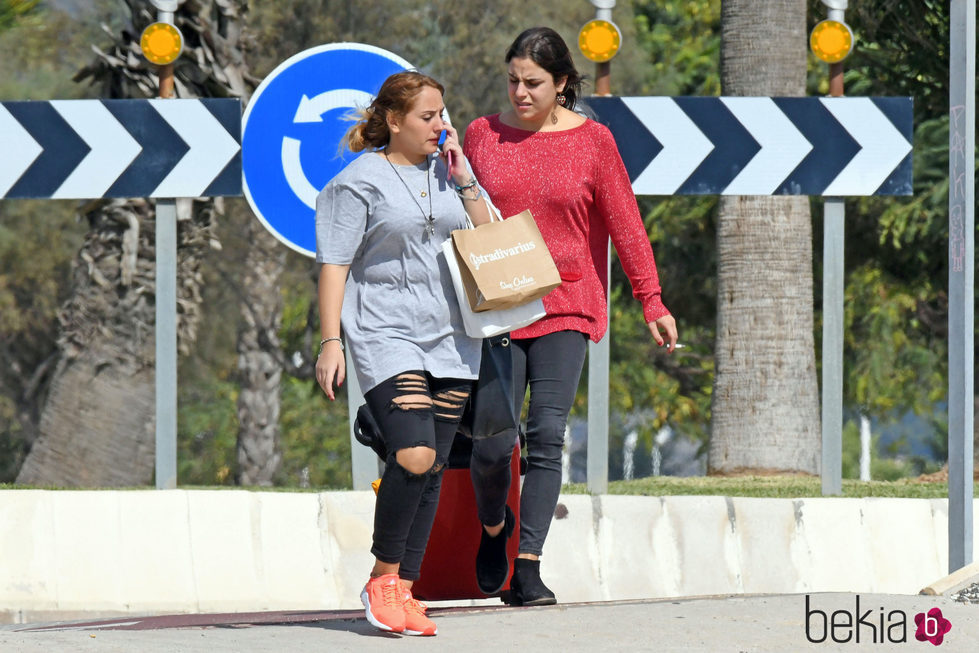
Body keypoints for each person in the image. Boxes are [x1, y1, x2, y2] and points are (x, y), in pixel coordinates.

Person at [462, 27, 678, 606]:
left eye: (532, 82)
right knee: (490, 443)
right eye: (512, 80)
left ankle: (527, 567)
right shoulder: (483, 136)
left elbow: (626, 221)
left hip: (568, 302)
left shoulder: (594, 142)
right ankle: (494, 530)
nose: (520, 92)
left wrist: (650, 299)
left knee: (545, 437)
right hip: (501, 306)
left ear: (562, 84)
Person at [315, 71, 492, 635]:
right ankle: (382, 579)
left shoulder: (451, 172)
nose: (441, 125)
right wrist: (330, 341)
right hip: (385, 331)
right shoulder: (358, 182)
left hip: (453, 335)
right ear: (394, 121)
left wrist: (465, 180)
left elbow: (491, 237)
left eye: (443, 113)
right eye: (428, 116)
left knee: (434, 465)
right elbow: (335, 265)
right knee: (414, 453)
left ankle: (407, 590)